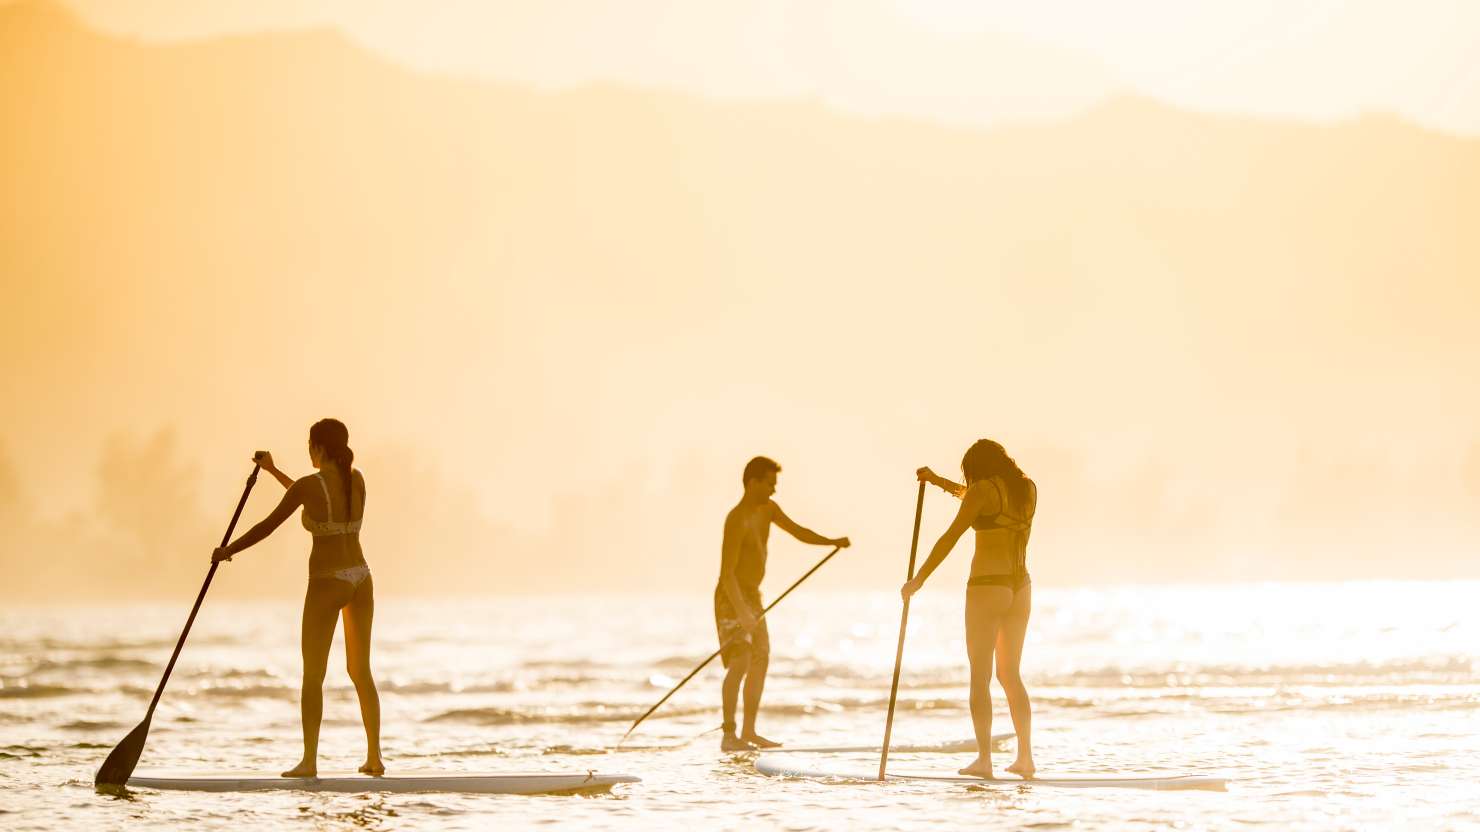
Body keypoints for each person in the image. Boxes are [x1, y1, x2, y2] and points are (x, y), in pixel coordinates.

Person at [211, 418, 383, 777]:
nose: (308, 450)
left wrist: (228, 550)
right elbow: (307, 499)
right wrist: (273, 471)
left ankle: (309, 761)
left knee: (313, 675)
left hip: (326, 582)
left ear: (319, 448)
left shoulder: (310, 486)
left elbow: (268, 526)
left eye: (309, 444)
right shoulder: (357, 479)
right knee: (360, 671)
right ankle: (374, 758)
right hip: (361, 579)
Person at [901, 439, 1036, 778]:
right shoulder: (1026, 489)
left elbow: (949, 537)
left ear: (977, 468)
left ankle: (984, 760)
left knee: (980, 676)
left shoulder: (982, 491)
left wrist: (918, 580)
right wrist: (936, 481)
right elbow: (975, 498)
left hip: (987, 587)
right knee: (1010, 675)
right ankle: (1025, 758)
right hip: (1020, 588)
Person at [717, 456, 849, 752]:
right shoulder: (736, 519)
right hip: (731, 596)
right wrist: (740, 612)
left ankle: (749, 731)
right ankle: (729, 734)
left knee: (761, 657)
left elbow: (798, 531)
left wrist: (831, 541)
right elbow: (726, 574)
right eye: (769, 484)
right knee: (740, 661)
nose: (773, 491)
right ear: (753, 483)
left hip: (753, 595)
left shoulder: (769, 509)